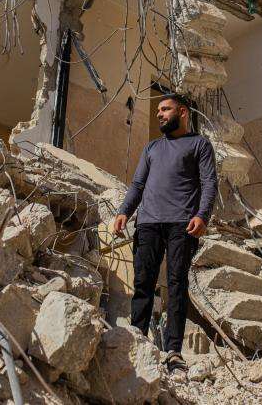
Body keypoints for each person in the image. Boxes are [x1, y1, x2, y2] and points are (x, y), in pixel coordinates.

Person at [113, 94, 218, 373]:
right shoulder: (151, 149)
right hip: (147, 223)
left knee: (176, 284)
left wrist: (202, 215)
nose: (159, 114)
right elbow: (137, 184)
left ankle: (173, 350)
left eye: (165, 109)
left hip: (182, 225)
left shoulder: (199, 144)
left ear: (182, 112)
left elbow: (209, 183)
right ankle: (137, 338)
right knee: (143, 281)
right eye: (158, 110)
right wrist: (124, 211)